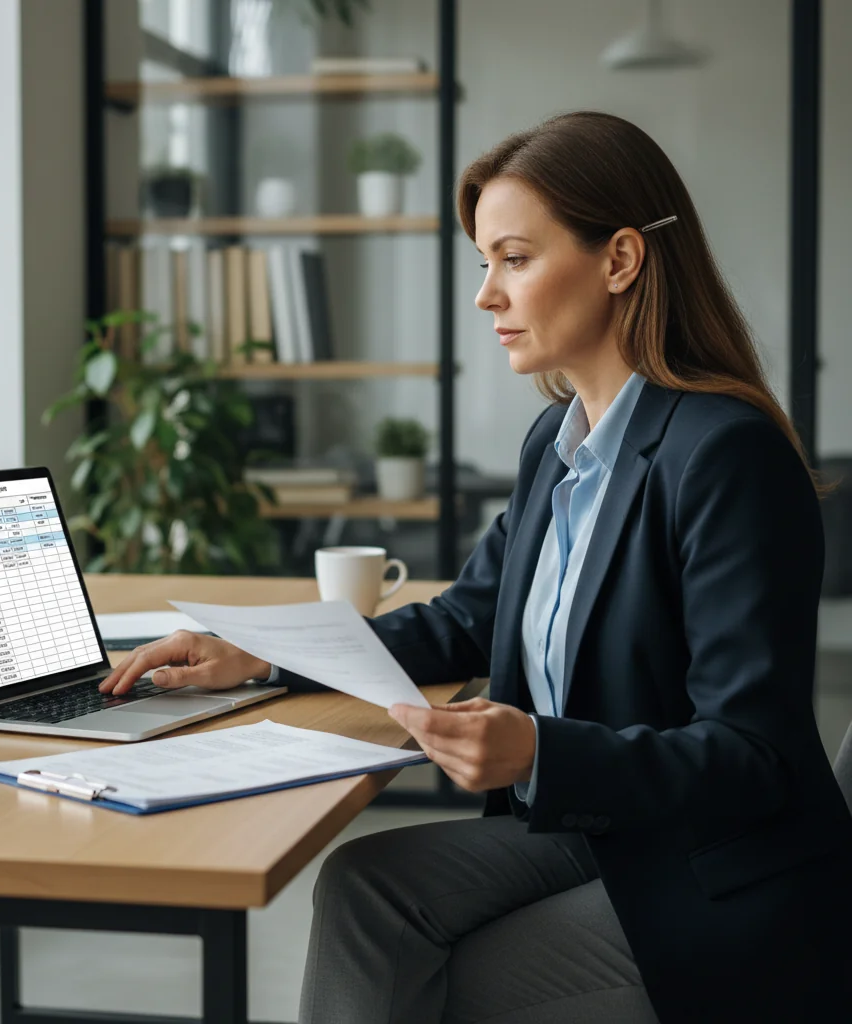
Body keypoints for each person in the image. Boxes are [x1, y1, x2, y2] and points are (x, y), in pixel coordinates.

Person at [99, 111, 852, 1023]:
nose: (486, 295)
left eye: (515, 259)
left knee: (443, 979)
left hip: (717, 870)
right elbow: (467, 616)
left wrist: (541, 749)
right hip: (603, 829)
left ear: (620, 260)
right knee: (364, 888)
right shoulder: (558, 442)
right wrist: (257, 657)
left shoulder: (724, 455)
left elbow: (754, 757)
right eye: (484, 263)